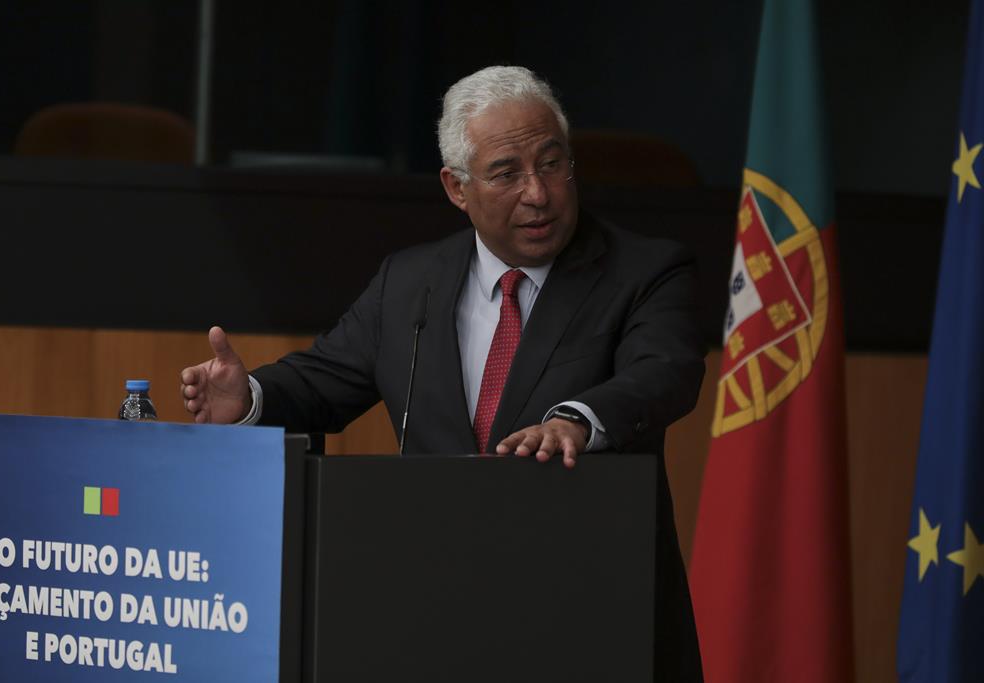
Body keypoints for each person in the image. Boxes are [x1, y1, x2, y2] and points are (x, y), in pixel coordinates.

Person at [181, 65, 705, 680]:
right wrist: (249, 398)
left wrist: (577, 422)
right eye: (506, 174)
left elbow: (663, 372)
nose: (538, 194)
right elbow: (324, 379)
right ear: (457, 188)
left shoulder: (644, 271)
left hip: (592, 616)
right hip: (437, 610)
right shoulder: (410, 282)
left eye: (552, 164)